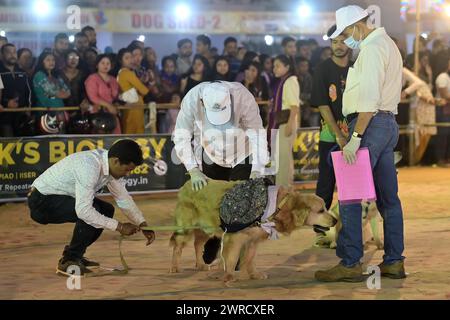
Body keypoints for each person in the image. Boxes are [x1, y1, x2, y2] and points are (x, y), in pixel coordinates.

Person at [315, 5, 406, 282]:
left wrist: (355, 138)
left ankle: (351, 262)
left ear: (355, 26)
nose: (345, 40)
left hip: (368, 126)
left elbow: (368, 98)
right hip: (386, 125)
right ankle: (393, 260)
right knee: (389, 199)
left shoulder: (372, 48)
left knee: (350, 198)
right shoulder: (387, 44)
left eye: (345, 33)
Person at [27, 139, 155, 275]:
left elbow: (123, 198)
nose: (127, 174)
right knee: (90, 211)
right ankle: (69, 260)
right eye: (127, 169)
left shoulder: (109, 163)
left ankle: (75, 256)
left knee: (107, 210)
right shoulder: (89, 166)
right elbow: (83, 211)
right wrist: (120, 227)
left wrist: (142, 223)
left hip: (58, 198)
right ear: (116, 161)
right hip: (41, 202)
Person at [172, 80, 269, 190]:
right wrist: (193, 170)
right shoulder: (191, 100)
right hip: (211, 154)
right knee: (213, 200)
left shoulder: (243, 97)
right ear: (202, 102)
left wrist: (257, 169)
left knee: (240, 199)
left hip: (242, 153)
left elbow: (257, 135)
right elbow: (181, 137)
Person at [310, 24, 352, 212]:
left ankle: (350, 232)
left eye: (343, 41)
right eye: (335, 41)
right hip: (330, 137)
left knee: (352, 186)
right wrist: (338, 135)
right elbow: (323, 105)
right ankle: (321, 232)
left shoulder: (357, 68)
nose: (338, 46)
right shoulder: (322, 69)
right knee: (326, 185)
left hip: (355, 136)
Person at [268, 55, 300, 186]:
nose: (274, 69)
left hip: (286, 122)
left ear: (287, 67)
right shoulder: (283, 81)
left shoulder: (290, 80)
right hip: (282, 122)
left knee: (283, 159)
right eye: (274, 66)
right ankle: (283, 188)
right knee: (280, 158)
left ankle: (284, 189)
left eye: (278, 66)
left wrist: (290, 124)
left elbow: (294, 106)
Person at [0, 43, 33, 137]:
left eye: (14, 52)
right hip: (4, 116)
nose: (12, 55)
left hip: (22, 115)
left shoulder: (22, 72)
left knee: (23, 145)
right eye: (8, 52)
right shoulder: (1, 72)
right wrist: (6, 103)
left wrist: (28, 106)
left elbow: (29, 91)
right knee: (8, 146)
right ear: (2, 55)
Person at [85, 54, 122, 134]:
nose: (105, 65)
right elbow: (93, 97)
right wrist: (108, 105)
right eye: (103, 63)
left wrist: (116, 103)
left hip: (112, 113)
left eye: (108, 63)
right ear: (97, 65)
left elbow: (116, 95)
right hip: (98, 114)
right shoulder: (92, 78)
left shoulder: (113, 79)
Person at [116, 48, 149, 134]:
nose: (130, 60)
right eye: (126, 58)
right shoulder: (127, 73)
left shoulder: (120, 73)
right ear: (121, 61)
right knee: (136, 132)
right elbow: (143, 90)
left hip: (129, 105)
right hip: (135, 106)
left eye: (131, 57)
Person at [434, 57, 450, 167]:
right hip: (442, 108)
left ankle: (446, 159)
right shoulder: (442, 77)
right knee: (443, 134)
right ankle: (440, 159)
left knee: (447, 134)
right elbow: (445, 95)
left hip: (447, 108)